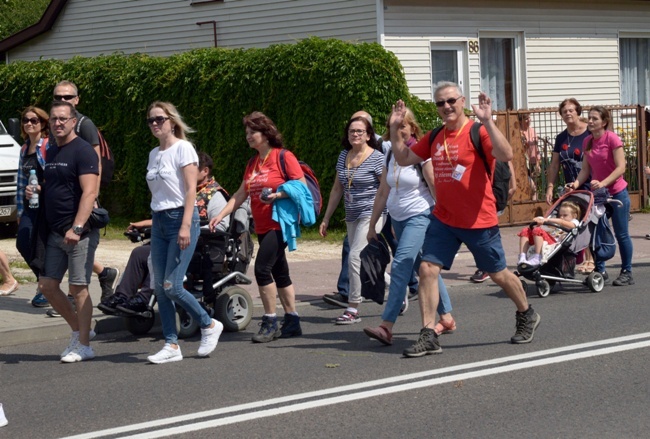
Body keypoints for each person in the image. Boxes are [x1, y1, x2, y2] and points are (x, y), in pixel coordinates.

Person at [390, 82, 541, 358]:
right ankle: (428, 334)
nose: (446, 107)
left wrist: (488, 121)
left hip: (478, 220)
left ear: (461, 101)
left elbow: (506, 155)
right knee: (427, 269)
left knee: (498, 274)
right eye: (440, 103)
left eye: (451, 101)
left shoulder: (476, 130)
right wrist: (394, 128)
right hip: (444, 219)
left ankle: (526, 313)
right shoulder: (435, 136)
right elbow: (402, 158)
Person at [209, 111, 305, 343]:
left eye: (253, 132)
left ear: (266, 133)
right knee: (280, 271)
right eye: (247, 133)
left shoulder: (283, 156)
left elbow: (301, 186)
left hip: (279, 223)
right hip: (261, 225)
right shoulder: (253, 163)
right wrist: (220, 215)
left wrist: (277, 195)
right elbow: (241, 193)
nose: (248, 136)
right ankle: (292, 321)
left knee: (262, 269)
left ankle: (270, 321)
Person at [363, 107, 456, 345]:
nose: (398, 130)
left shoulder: (420, 153)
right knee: (425, 266)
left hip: (420, 216)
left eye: (403, 125)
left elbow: (434, 184)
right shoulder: (390, 154)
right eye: (394, 126)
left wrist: (444, 217)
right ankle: (446, 317)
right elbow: (383, 191)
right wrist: (373, 224)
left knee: (402, 263)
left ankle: (387, 325)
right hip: (398, 219)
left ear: (412, 128)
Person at [98, 151, 230, 315]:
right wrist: (147, 225)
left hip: (198, 247)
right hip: (172, 240)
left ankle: (144, 299)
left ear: (205, 171)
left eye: (193, 169)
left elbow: (220, 226)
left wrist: (190, 230)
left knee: (157, 256)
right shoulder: (182, 191)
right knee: (139, 253)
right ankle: (122, 297)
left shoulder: (215, 195)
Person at [144, 101, 223, 364]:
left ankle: (208, 324)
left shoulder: (184, 148)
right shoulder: (154, 153)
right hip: (159, 220)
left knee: (172, 285)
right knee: (160, 287)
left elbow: (191, 190)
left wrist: (186, 225)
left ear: (172, 120)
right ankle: (171, 345)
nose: (155, 124)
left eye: (160, 119)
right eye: (151, 120)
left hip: (181, 218)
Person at [45, 81, 119, 315]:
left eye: (68, 97)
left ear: (77, 100)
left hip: (84, 195)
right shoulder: (56, 124)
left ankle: (76, 303)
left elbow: (95, 162)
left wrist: (93, 197)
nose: (63, 100)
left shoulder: (84, 125)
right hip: (64, 203)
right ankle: (104, 274)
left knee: (78, 260)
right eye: (59, 96)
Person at [35, 100, 100, 362]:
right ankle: (80, 331)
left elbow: (90, 192)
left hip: (79, 233)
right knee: (47, 286)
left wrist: (77, 226)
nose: (58, 123)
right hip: (55, 232)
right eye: (53, 119)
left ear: (74, 122)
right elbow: (57, 186)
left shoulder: (83, 151)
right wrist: (37, 189)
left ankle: (84, 345)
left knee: (78, 287)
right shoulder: (51, 151)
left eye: (63, 119)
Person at [319, 116, 386, 325]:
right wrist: (327, 218)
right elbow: (338, 188)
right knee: (363, 261)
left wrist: (378, 220)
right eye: (351, 131)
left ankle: (353, 308)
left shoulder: (377, 158)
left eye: (359, 131)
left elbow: (385, 189)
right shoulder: (343, 156)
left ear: (368, 135)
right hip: (352, 214)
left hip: (372, 213)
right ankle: (397, 289)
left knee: (355, 257)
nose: (355, 134)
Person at [566, 106, 634, 286]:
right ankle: (600, 270)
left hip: (617, 193)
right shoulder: (587, 141)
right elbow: (586, 170)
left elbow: (621, 167)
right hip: (599, 195)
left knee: (622, 234)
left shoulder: (612, 138)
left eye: (594, 119)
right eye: (589, 118)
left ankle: (627, 271)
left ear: (604, 122)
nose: (590, 121)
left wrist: (603, 182)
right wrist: (575, 184)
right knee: (596, 233)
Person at [545, 98, 594, 274]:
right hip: (571, 187)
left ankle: (591, 260)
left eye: (571, 110)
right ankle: (579, 258)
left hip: (591, 185)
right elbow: (554, 164)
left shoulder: (589, 133)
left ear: (578, 112)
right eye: (564, 111)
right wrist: (550, 186)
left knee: (588, 221)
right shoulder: (561, 138)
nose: (568, 114)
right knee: (577, 221)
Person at [14, 106, 48, 304]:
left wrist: (41, 189)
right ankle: (45, 281)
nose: (29, 124)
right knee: (23, 242)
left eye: (34, 120)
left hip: (46, 204)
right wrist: (20, 210)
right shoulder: (24, 148)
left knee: (41, 247)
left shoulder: (48, 146)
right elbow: (20, 181)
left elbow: (54, 176)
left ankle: (44, 288)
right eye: (26, 120)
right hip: (29, 205)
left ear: (43, 123)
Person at [517, 201, 581, 267]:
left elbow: (562, 222)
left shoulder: (574, 222)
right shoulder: (558, 222)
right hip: (549, 238)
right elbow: (552, 225)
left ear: (574, 216)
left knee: (537, 230)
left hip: (555, 243)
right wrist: (540, 219)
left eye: (565, 215)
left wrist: (547, 220)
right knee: (525, 230)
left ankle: (537, 257)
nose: (561, 217)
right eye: (560, 215)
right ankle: (522, 256)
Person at [518, 112, 541, 201]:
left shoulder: (532, 131)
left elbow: (536, 147)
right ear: (520, 121)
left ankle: (534, 203)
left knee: (535, 187)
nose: (529, 120)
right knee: (532, 187)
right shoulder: (519, 132)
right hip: (524, 163)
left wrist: (538, 162)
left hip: (533, 161)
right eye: (526, 119)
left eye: (529, 118)